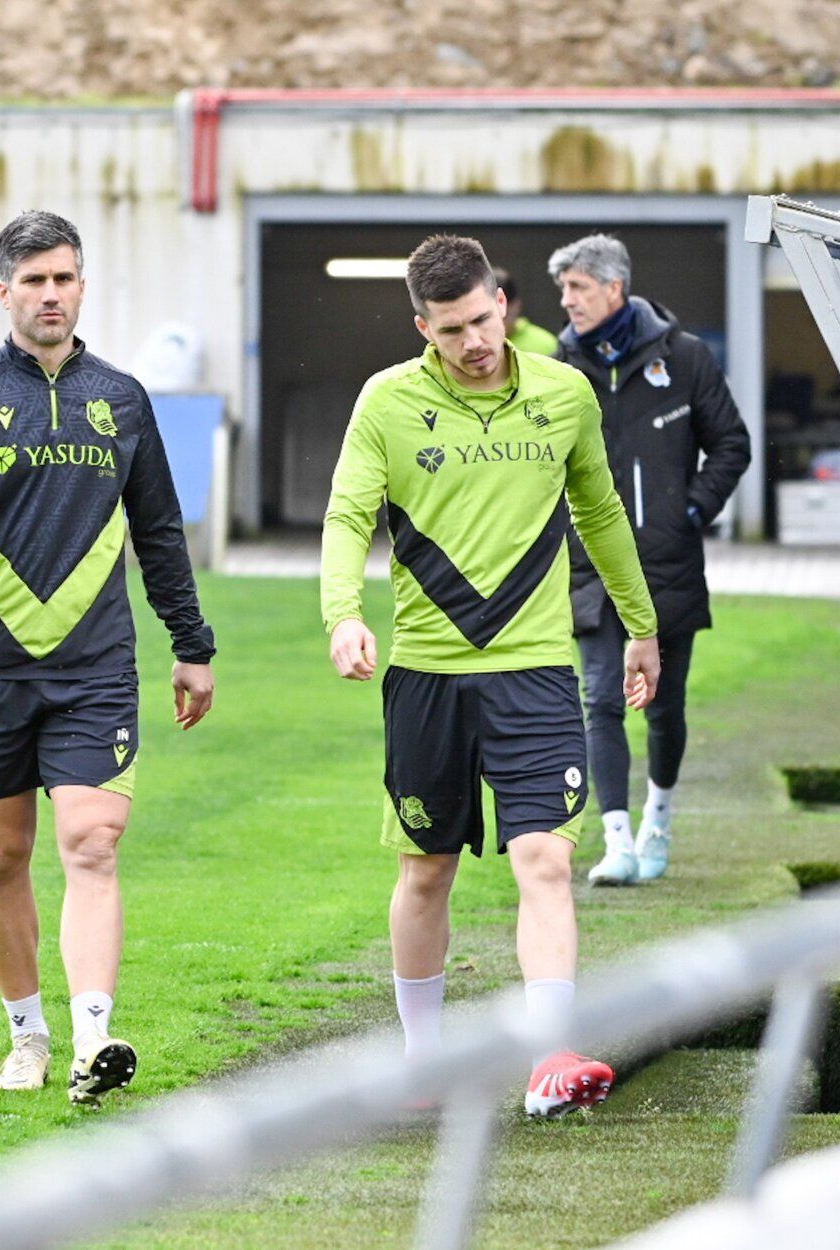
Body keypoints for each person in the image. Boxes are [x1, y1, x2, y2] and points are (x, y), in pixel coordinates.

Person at [320, 235, 660, 1116]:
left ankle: (550, 1060)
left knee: (544, 857)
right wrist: (343, 615)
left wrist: (640, 625)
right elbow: (348, 513)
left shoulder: (563, 392)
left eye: (483, 319)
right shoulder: (386, 402)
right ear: (421, 326)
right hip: (427, 675)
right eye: (452, 330)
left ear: (501, 304)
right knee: (426, 868)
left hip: (537, 669)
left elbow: (601, 512)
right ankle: (423, 1063)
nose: (474, 341)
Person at [0, 210, 217, 1106]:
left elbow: (158, 531)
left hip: (95, 667)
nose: (51, 294)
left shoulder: (122, 399)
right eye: (34, 280)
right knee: (4, 854)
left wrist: (191, 647)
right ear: (4, 291)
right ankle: (27, 1036)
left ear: (83, 287)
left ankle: (92, 1041)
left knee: (93, 841)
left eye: (65, 278)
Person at [549, 234, 751, 886]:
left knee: (663, 707)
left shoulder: (685, 359)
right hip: (592, 568)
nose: (567, 301)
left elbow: (732, 444)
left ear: (614, 289)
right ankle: (616, 842)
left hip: (668, 566)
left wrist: (689, 512)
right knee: (601, 698)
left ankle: (657, 821)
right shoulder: (561, 366)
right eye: (564, 290)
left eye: (577, 288)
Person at [496, 266, 559, 357]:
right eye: (486, 317)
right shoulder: (473, 345)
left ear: (516, 305)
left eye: (505, 313)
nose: (498, 321)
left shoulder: (545, 345)